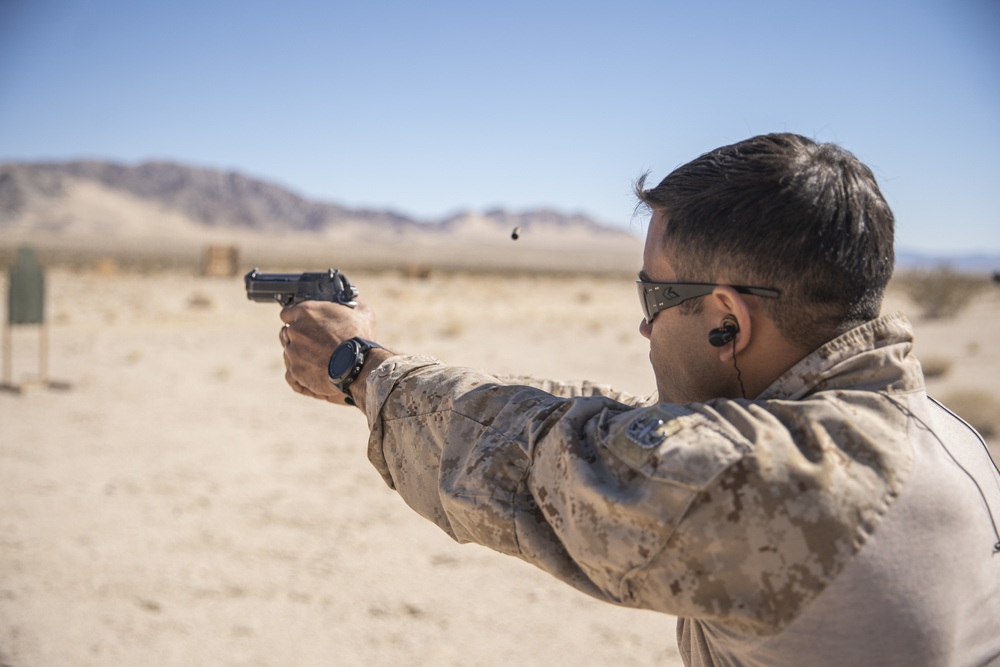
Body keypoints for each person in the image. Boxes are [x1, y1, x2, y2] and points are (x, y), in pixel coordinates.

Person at [278, 133, 1000, 666]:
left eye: (652, 295)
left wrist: (358, 366)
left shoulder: (775, 483)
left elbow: (543, 460)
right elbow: (626, 429)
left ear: (726, 319)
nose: (644, 323)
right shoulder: (941, 436)